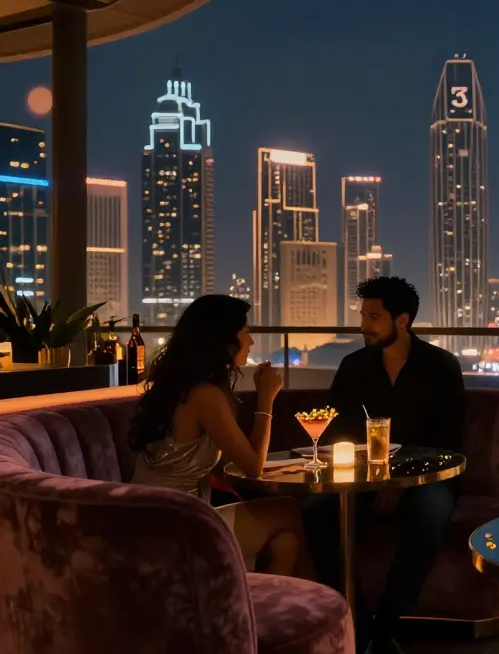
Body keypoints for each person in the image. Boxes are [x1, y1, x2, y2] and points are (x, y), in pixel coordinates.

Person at [303, 276, 464, 654]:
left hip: (425, 478)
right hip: (363, 477)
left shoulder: (440, 366)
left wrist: (398, 482)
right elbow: (336, 435)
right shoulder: (354, 366)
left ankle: (386, 625)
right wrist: (372, 478)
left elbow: (447, 443)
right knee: (316, 510)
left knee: (431, 514)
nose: (363, 325)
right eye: (363, 315)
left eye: (374, 316)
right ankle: (355, 620)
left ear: (402, 320)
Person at [129, 294, 313, 579]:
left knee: (286, 544)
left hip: (160, 514)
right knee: (288, 509)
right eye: (247, 332)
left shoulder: (188, 386)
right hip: (171, 525)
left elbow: (236, 461)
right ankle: (332, 608)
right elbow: (252, 467)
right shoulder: (205, 396)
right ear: (225, 339)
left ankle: (269, 617)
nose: (251, 342)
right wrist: (266, 400)